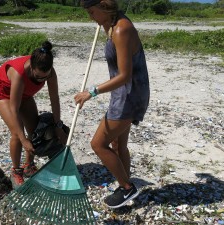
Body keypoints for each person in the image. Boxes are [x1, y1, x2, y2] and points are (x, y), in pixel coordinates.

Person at [74, 0, 150, 208]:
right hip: (123, 94)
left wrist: (91, 92)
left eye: (92, 12)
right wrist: (105, 25)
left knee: (98, 144)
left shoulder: (121, 29)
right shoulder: (112, 25)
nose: (90, 17)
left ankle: (127, 187)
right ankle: (125, 188)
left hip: (129, 96)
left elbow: (125, 75)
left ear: (104, 8)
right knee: (118, 144)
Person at [0, 41, 67, 188]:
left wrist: (58, 126)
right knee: (17, 134)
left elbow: (55, 99)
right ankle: (16, 171)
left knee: (35, 131)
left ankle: (28, 166)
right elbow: (14, 109)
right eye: (38, 77)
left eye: (45, 77)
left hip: (24, 94)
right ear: (31, 67)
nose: (42, 80)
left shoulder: (50, 73)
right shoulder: (18, 74)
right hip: (3, 94)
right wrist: (24, 140)